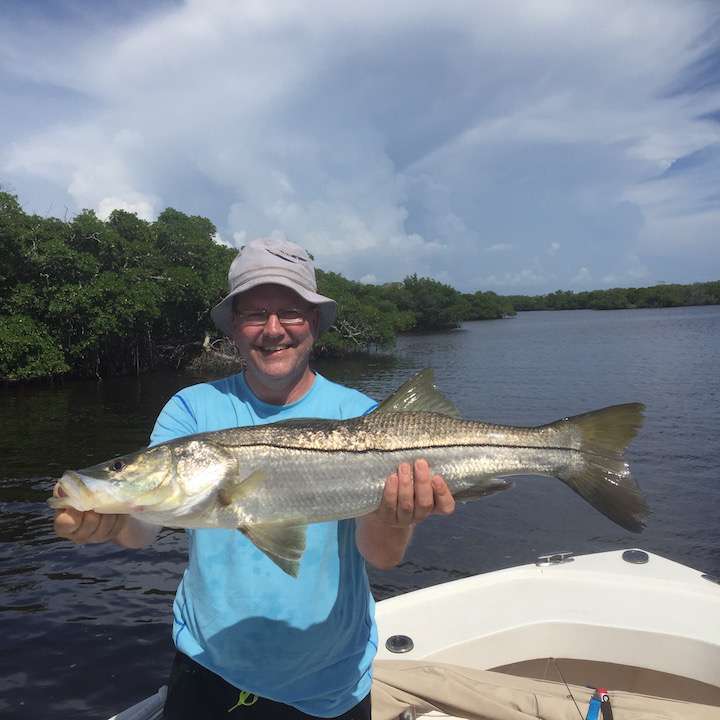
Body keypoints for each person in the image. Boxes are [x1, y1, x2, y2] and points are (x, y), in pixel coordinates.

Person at [53, 237, 455, 719]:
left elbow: (383, 557)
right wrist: (111, 519)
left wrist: (396, 516)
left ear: (314, 323)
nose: (273, 329)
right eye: (253, 314)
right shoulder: (191, 409)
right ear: (234, 330)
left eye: (290, 312)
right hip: (208, 665)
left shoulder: (361, 414)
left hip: (329, 682)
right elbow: (141, 532)